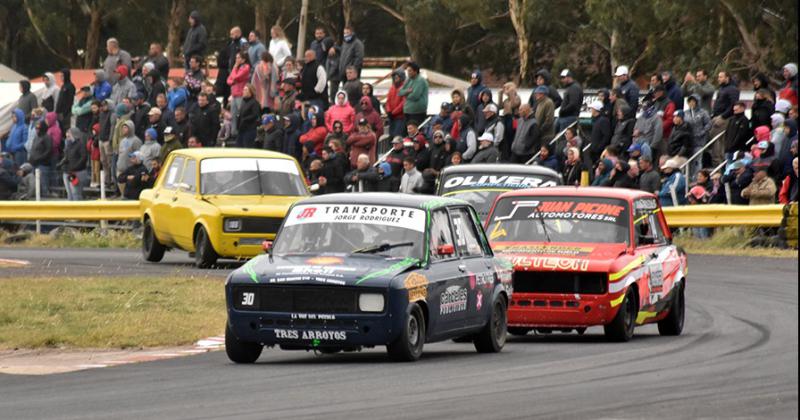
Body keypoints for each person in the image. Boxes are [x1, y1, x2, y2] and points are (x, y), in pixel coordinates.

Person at [684, 94, 711, 176]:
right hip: (688, 141)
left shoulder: (703, 113)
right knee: (689, 160)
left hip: (699, 141)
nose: (691, 103)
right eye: (690, 102)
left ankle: (696, 176)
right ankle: (689, 177)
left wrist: (702, 132)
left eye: (693, 101)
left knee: (697, 160)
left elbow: (708, 124)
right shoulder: (686, 113)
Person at [59, 127, 88, 200]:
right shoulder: (68, 144)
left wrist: (75, 167)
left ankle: (78, 209)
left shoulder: (80, 144)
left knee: (76, 193)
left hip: (77, 172)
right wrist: (61, 164)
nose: (67, 136)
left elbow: (83, 158)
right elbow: (66, 157)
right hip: (67, 171)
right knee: (70, 194)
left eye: (69, 134)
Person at [227, 51, 251, 138]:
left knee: (241, 113)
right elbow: (229, 80)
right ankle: (233, 132)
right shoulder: (236, 68)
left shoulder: (246, 67)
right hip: (234, 94)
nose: (236, 59)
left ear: (243, 59)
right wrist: (234, 71)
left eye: (238, 58)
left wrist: (235, 69)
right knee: (233, 114)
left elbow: (236, 77)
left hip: (241, 93)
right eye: (236, 57)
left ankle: (242, 131)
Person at [397, 62, 429, 127]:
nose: (408, 72)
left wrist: (405, 94)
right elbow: (399, 92)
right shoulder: (408, 80)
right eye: (407, 71)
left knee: (416, 131)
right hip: (407, 111)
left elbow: (415, 96)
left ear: (415, 71)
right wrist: (407, 91)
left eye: (410, 71)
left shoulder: (420, 80)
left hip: (417, 112)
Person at [29, 119, 53, 196]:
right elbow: (33, 148)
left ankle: (45, 198)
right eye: (36, 128)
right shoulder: (36, 137)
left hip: (43, 164)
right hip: (34, 163)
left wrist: (39, 158)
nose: (37, 130)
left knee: (43, 184)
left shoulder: (47, 137)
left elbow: (48, 151)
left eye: (38, 128)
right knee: (34, 184)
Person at [237, 84, 261, 148]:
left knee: (247, 147)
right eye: (243, 89)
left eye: (246, 90)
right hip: (241, 129)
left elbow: (255, 115)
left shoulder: (254, 103)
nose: (243, 91)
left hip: (249, 129)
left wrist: (245, 119)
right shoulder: (243, 102)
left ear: (251, 91)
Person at [385, 69, 406, 138]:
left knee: (397, 136)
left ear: (402, 78)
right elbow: (388, 101)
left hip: (400, 118)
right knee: (391, 136)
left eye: (397, 77)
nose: (395, 79)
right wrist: (388, 111)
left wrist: (393, 112)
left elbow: (403, 103)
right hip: (391, 118)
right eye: (394, 77)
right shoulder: (392, 88)